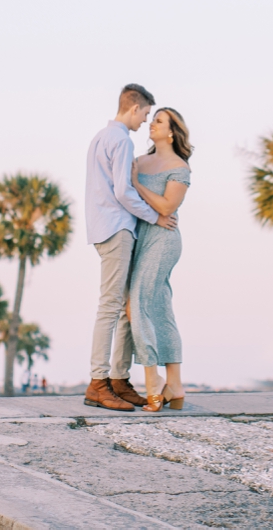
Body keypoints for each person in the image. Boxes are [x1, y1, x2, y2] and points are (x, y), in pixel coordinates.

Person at [83, 83, 177, 411]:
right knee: (111, 307)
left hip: (103, 228)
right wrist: (155, 216)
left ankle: (119, 380)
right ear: (134, 108)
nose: (144, 121)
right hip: (117, 229)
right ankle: (98, 383)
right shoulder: (121, 140)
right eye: (146, 114)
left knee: (124, 307)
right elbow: (123, 191)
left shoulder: (100, 137)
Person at [128, 107, 193, 411]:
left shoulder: (179, 166)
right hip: (140, 239)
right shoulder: (139, 161)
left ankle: (153, 381)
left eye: (158, 121)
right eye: (151, 119)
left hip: (164, 241)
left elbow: (167, 208)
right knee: (160, 308)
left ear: (171, 131)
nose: (151, 124)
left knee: (137, 302)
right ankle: (176, 386)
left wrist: (138, 185)